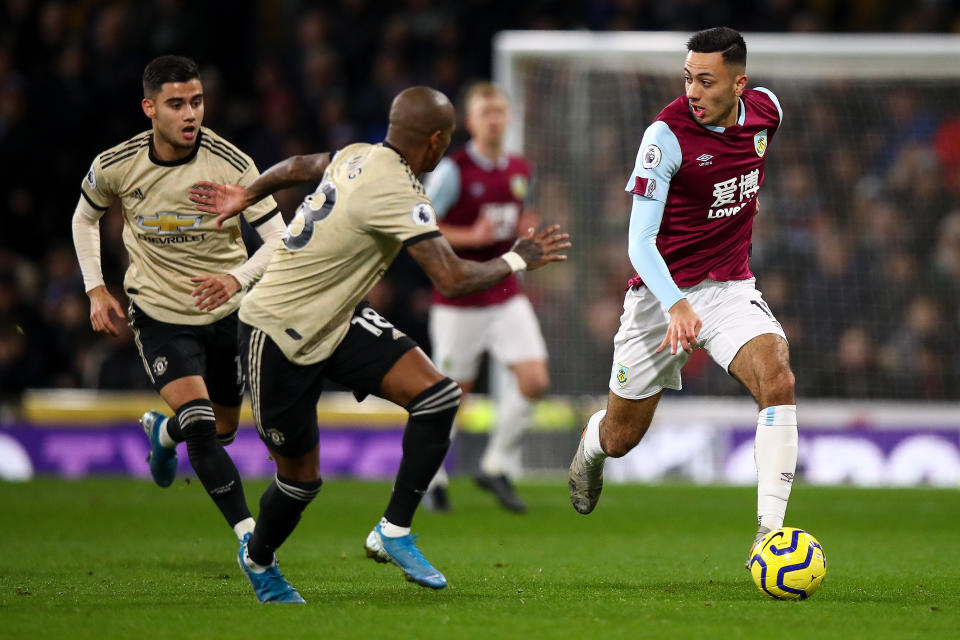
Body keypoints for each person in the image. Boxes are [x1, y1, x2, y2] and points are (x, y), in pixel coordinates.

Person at [189, 86, 569, 602]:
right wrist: (519, 259)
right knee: (301, 481)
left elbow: (302, 163)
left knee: (438, 397)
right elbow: (452, 279)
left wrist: (248, 193)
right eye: (449, 137)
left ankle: (393, 530)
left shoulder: (356, 153)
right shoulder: (396, 191)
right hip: (277, 331)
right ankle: (258, 559)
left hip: (338, 318)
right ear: (435, 141)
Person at [567, 27, 799, 567]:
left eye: (706, 81)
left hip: (728, 289)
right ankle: (591, 445)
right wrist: (675, 304)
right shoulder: (664, 136)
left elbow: (744, 162)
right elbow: (639, 243)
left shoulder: (768, 111)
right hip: (659, 297)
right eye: (687, 78)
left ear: (740, 84)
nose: (692, 91)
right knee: (624, 436)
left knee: (778, 378)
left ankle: (770, 537)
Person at [71, 55, 287, 544]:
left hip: (228, 314)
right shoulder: (116, 165)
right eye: (176, 104)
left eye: (197, 102)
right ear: (150, 108)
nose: (190, 114)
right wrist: (95, 287)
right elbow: (84, 218)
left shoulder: (232, 163)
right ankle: (253, 543)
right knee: (204, 428)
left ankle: (162, 435)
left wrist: (236, 278)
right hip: (160, 315)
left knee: (225, 429)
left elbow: (281, 237)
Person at [421, 82, 547, 513]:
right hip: (460, 298)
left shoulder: (520, 169)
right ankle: (431, 477)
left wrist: (527, 232)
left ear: (508, 117)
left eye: (499, 110)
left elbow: (518, 219)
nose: (494, 118)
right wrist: (469, 235)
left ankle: (496, 466)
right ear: (471, 122)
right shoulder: (453, 170)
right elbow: (424, 223)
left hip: (507, 292)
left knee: (534, 380)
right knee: (454, 395)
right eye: (485, 112)